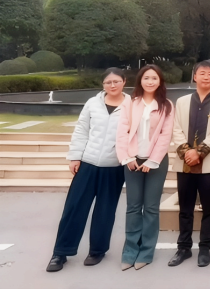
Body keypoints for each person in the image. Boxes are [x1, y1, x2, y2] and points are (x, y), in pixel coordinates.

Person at [46, 68, 129, 272]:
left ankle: (97, 250)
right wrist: (75, 156)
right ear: (103, 84)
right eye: (108, 82)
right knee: (74, 207)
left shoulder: (132, 106)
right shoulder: (92, 103)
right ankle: (60, 252)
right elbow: (81, 130)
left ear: (124, 82)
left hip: (114, 166)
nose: (112, 85)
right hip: (88, 163)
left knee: (105, 210)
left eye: (116, 81)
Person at [168, 61, 210, 268]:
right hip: (185, 163)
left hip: (209, 165)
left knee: (209, 208)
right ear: (194, 76)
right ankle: (183, 247)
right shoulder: (182, 101)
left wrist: (199, 152)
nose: (206, 77)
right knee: (185, 208)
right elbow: (176, 128)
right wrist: (187, 152)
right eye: (202, 73)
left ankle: (205, 248)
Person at [116, 64, 175, 270]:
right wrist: (126, 157)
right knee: (133, 207)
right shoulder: (130, 103)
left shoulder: (166, 105)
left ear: (160, 81)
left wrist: (152, 160)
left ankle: (146, 251)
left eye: (154, 78)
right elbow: (122, 132)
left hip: (156, 162)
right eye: (146, 78)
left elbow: (165, 136)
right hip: (132, 160)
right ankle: (130, 251)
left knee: (151, 207)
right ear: (140, 80)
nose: (150, 81)